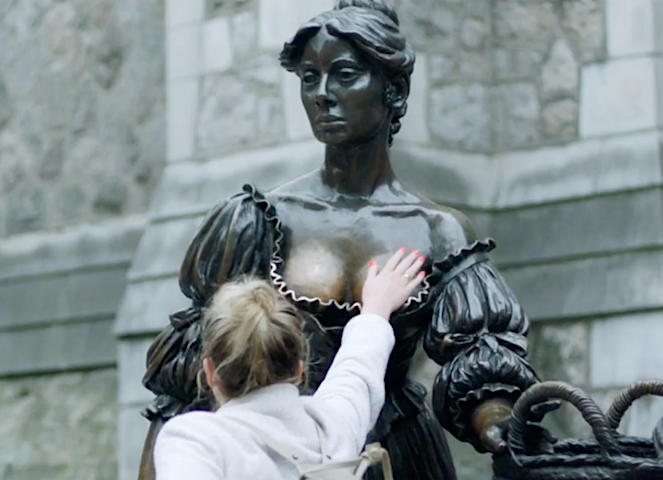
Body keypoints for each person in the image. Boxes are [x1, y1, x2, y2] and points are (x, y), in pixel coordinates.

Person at [139, 1, 540, 479]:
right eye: (310, 78)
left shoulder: (437, 231)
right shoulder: (259, 219)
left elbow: (482, 360)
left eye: (344, 75)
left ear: (394, 91)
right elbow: (185, 377)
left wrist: (497, 424)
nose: (322, 95)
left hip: (399, 457)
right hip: (275, 452)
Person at [153, 250, 425, 480]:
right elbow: (358, 369)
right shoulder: (333, 428)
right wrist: (376, 308)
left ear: (210, 372)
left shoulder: (196, 441)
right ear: (299, 368)